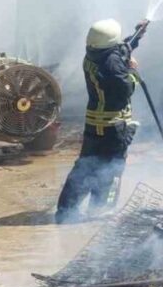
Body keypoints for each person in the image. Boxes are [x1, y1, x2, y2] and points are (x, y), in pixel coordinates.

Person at [55, 19, 149, 223]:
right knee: (111, 169)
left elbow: (120, 49)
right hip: (114, 127)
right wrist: (132, 71)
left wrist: (136, 35)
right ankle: (99, 213)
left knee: (86, 166)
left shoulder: (94, 54)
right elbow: (125, 89)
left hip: (94, 126)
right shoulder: (112, 64)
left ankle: (65, 210)